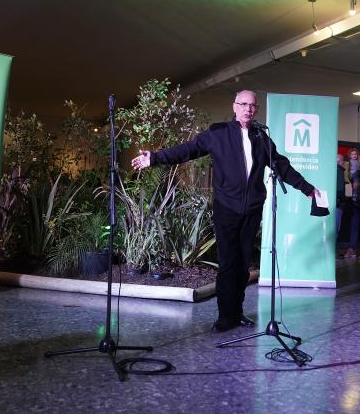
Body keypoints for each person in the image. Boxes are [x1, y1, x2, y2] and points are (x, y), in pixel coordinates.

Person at [131, 90, 317, 332]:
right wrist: (155, 157)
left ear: (256, 110)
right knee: (228, 263)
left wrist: (307, 189)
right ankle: (225, 316)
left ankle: (237, 312)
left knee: (242, 265)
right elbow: (188, 149)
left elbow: (281, 165)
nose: (248, 109)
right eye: (243, 104)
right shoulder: (218, 133)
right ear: (234, 106)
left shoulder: (261, 137)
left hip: (252, 210)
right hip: (226, 208)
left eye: (252, 105)